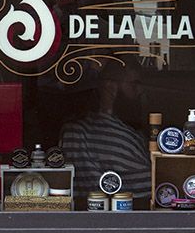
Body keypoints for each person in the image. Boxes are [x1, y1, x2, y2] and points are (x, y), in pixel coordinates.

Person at [60, 61, 152, 208]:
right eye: (134, 84)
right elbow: (92, 186)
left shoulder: (133, 133)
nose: (140, 91)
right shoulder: (78, 132)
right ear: (110, 87)